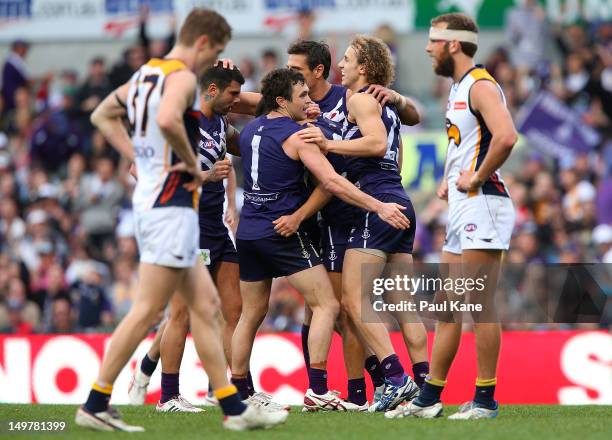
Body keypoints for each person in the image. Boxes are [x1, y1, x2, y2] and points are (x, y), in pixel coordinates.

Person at [76, 9, 287, 432]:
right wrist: (191, 166)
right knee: (150, 311)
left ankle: (232, 407)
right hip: (171, 207)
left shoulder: (144, 76)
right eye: (219, 49)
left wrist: (142, 160)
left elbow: (101, 114)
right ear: (204, 43)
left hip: (168, 208)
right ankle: (98, 402)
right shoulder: (181, 79)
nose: (218, 57)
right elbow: (169, 119)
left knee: (207, 309)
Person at [232, 68, 410, 412]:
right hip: (282, 230)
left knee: (250, 314)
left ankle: (239, 390)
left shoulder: (251, 128)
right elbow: (331, 182)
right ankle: (318, 389)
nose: (310, 102)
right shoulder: (299, 135)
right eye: (303, 97)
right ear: (282, 101)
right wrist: (379, 206)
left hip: (249, 230)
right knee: (327, 304)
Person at [284, 40, 427, 409]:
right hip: (399, 200)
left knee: (352, 301)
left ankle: (395, 380)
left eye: (346, 60)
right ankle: (426, 387)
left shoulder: (360, 99)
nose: (340, 66)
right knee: (403, 304)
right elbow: (408, 124)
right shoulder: (385, 104)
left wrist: (329, 146)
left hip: (375, 201)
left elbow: (377, 144)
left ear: (364, 67)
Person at [388, 13, 517, 420]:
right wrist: (449, 181)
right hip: (464, 205)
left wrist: (476, 176)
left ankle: (485, 400)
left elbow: (506, 135)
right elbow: (470, 142)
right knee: (447, 306)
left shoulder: (479, 85)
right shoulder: (459, 87)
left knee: (479, 305)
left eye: (433, 41)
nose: (427, 48)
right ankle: (430, 398)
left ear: (453, 45)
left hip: (485, 202)